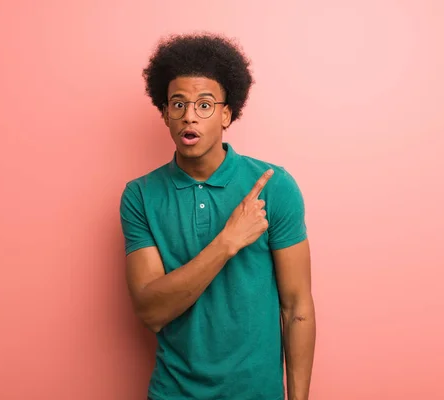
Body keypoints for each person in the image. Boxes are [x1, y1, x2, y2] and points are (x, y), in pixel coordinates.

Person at [119, 33, 316, 400]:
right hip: (173, 392)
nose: (189, 116)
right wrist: (228, 242)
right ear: (164, 114)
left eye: (205, 105)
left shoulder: (274, 186)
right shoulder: (140, 196)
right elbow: (151, 310)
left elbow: (297, 308)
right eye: (178, 104)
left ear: (227, 114)